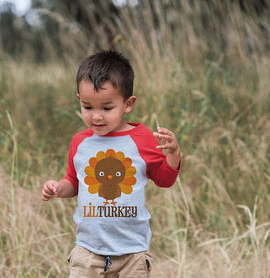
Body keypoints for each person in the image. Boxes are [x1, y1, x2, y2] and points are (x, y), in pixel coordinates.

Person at [41, 50, 181, 277]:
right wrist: (57, 188)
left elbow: (165, 180)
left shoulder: (142, 139)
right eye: (88, 107)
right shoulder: (80, 142)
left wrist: (173, 154)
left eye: (107, 108)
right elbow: (74, 182)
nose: (96, 116)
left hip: (132, 255)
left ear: (128, 104)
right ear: (79, 100)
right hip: (87, 252)